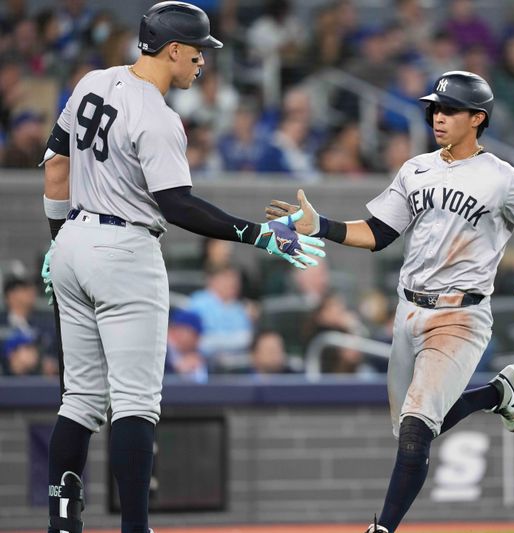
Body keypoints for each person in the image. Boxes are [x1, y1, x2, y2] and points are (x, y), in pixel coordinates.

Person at [38, 3, 325, 533]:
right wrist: (258, 234)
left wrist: (59, 240)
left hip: (74, 239)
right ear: (173, 49)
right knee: (135, 402)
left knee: (78, 398)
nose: (202, 62)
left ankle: (62, 523)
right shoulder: (159, 117)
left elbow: (56, 165)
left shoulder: (92, 81)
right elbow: (177, 204)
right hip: (125, 250)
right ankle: (135, 529)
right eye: (198, 52)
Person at [267, 70, 514, 533]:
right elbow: (378, 233)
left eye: (449, 110)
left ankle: (382, 529)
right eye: (435, 108)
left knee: (415, 430)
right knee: (412, 429)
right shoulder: (416, 169)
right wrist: (320, 225)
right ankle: (497, 394)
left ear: (477, 118)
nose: (438, 116)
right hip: (408, 311)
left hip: (461, 314)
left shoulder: (503, 179)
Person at [164, 309, 207, 383]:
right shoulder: (161, 351)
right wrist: (175, 369)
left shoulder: (198, 354)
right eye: (194, 334)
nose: (197, 339)